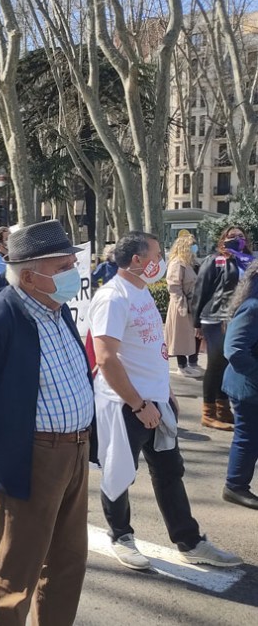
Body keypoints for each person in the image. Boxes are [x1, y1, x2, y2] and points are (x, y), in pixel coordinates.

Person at [0, 220, 93, 625]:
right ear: (30, 275)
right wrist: (6, 447)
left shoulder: (57, 311)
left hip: (75, 452)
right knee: (15, 575)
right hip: (32, 460)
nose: (73, 273)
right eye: (63, 266)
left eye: (72, 264)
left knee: (67, 563)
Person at [91, 231, 241, 571]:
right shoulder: (113, 297)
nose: (161, 261)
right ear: (137, 261)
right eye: (156, 255)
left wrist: (164, 392)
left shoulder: (140, 293)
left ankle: (189, 540)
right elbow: (106, 359)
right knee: (119, 474)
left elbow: (148, 350)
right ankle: (121, 536)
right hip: (125, 405)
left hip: (156, 400)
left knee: (169, 471)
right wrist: (138, 405)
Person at [194, 226, 251, 431]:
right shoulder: (216, 260)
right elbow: (201, 290)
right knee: (216, 364)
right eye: (232, 236)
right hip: (216, 318)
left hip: (239, 319)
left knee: (228, 364)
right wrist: (196, 323)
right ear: (224, 240)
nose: (237, 239)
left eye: (241, 236)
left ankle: (223, 409)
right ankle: (208, 413)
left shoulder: (248, 260)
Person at [221, 262, 258, 509]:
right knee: (247, 437)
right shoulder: (253, 307)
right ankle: (235, 486)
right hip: (248, 387)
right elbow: (233, 349)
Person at [165, 235, 202, 378]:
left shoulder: (191, 263)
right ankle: (182, 365)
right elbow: (174, 287)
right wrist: (182, 306)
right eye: (192, 245)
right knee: (179, 336)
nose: (194, 247)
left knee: (193, 335)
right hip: (181, 306)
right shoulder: (177, 263)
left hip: (192, 304)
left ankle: (190, 363)